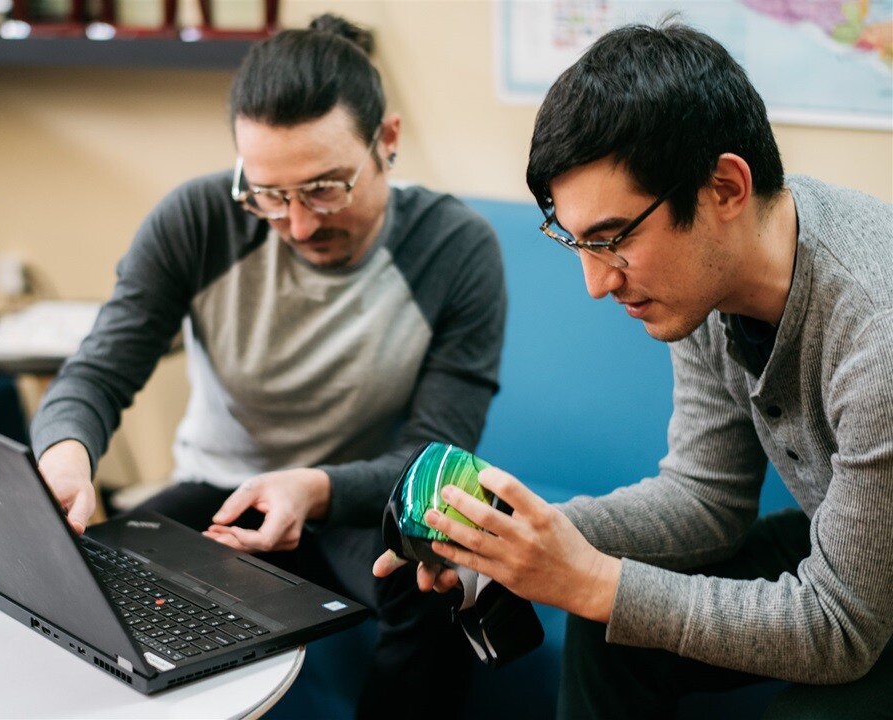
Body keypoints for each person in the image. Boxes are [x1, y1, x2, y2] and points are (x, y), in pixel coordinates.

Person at [374, 21, 892, 718]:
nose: (596, 282)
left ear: (726, 188)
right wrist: (513, 537)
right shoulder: (709, 282)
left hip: (860, 602)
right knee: (609, 633)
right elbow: (705, 500)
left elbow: (841, 628)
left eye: (613, 238)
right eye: (577, 241)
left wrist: (592, 580)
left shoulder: (875, 334)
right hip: (856, 542)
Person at [29, 14, 506, 718]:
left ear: (389, 142)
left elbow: (439, 456)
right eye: (270, 196)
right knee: (86, 579)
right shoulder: (196, 220)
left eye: (325, 189)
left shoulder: (455, 249)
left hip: (364, 502)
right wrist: (67, 453)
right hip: (217, 492)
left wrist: (312, 490)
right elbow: (98, 374)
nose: (301, 224)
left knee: (436, 587)